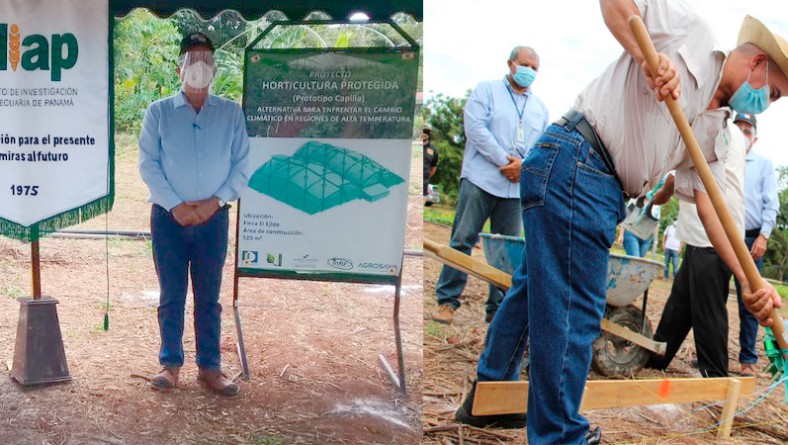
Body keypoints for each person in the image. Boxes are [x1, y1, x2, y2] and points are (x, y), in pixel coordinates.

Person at [455, 2, 786, 444]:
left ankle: (489, 396)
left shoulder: (717, 130)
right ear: (759, 63)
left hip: (602, 187)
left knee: (537, 286)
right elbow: (617, 5)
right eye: (775, 94)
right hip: (578, 157)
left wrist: (749, 282)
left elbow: (712, 211)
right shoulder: (692, 32)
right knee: (576, 309)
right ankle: (559, 436)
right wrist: (649, 56)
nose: (768, 104)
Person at [139, 32, 250, 397]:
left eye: (206, 59)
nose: (199, 67)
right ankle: (170, 364)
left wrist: (213, 203)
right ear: (179, 68)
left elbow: (241, 165)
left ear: (215, 67)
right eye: (192, 59)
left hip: (213, 219)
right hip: (168, 218)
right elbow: (149, 164)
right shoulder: (158, 112)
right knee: (172, 293)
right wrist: (177, 205)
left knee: (209, 297)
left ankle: (210, 367)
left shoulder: (231, 113)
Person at [431, 46, 549, 325]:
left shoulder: (540, 108)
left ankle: (498, 310)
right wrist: (503, 161)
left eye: (534, 68)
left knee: (507, 252)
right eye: (524, 64)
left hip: (514, 189)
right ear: (510, 64)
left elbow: (542, 145)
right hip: (481, 179)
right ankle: (447, 302)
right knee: (462, 240)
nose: (529, 71)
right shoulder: (486, 91)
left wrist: (524, 166)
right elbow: (475, 129)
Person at [646, 121, 746, 379]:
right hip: (702, 236)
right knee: (680, 305)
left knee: (708, 312)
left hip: (713, 238)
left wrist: (659, 195)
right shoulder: (729, 131)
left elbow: (671, 178)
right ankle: (657, 358)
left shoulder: (710, 126)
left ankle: (716, 379)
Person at [733, 112, 780, 377]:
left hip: (751, 241)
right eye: (737, 128)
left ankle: (748, 360)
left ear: (755, 137)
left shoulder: (762, 164)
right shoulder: (725, 158)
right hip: (725, 238)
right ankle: (713, 356)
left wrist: (763, 236)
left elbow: (771, 204)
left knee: (751, 299)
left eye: (747, 130)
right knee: (713, 296)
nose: (742, 134)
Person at [423, 123, 439, 202]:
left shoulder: (433, 150)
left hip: (423, 186)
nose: (424, 133)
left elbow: (433, 168)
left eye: (427, 131)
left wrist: (424, 177)